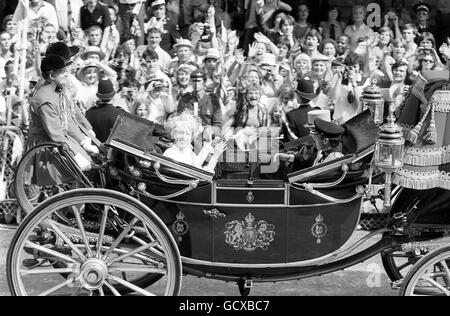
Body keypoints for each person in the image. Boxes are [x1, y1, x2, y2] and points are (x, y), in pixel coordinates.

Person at [28, 54, 98, 176]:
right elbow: (55, 133)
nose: (67, 74)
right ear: (51, 75)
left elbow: (68, 119)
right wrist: (75, 154)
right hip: (46, 148)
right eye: (62, 72)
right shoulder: (45, 100)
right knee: (81, 172)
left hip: (62, 141)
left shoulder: (57, 91)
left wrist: (83, 141)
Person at [178, 69, 223, 137]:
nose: (196, 83)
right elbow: (178, 122)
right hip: (188, 137)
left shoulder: (212, 100)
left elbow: (218, 127)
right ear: (191, 82)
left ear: (204, 82)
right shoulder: (185, 99)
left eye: (199, 81)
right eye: (194, 81)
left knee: (229, 144)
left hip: (207, 138)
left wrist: (206, 130)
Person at [85, 78, 125, 143]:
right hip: (113, 152)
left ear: (98, 96)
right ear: (113, 96)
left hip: (94, 150)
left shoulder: (89, 113)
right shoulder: (120, 113)